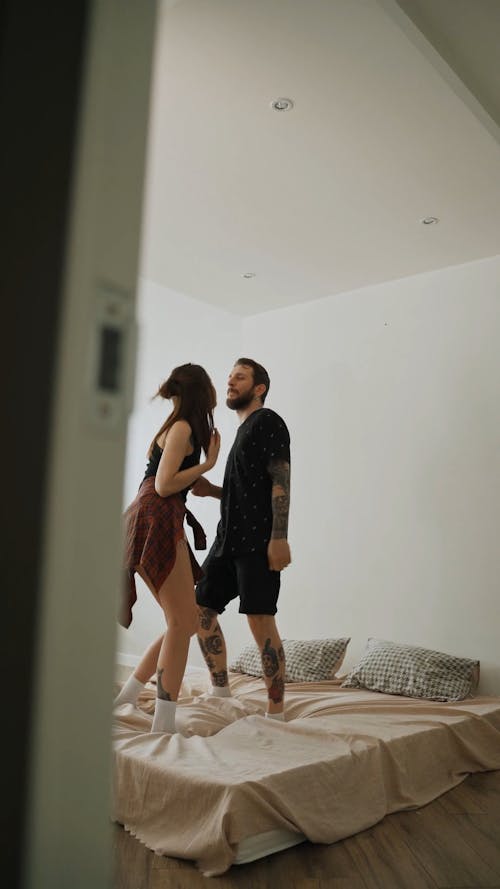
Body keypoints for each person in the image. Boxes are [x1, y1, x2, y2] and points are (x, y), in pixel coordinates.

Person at [114, 363, 220, 734]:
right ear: (202, 393)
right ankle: (163, 723)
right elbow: (163, 485)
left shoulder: (181, 428)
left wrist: (209, 479)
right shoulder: (182, 428)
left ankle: (126, 698)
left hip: (155, 517)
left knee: (183, 621)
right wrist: (207, 463)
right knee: (182, 622)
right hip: (155, 517)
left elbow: (180, 483)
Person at [192, 358, 291, 720]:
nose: (230, 382)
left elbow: (280, 479)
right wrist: (213, 491)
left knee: (260, 619)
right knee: (199, 609)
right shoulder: (242, 430)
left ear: (259, 387)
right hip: (226, 540)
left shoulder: (267, 421)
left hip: (257, 542)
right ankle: (220, 690)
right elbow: (248, 490)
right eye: (230, 376)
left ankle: (276, 711)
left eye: (240, 377)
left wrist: (279, 538)